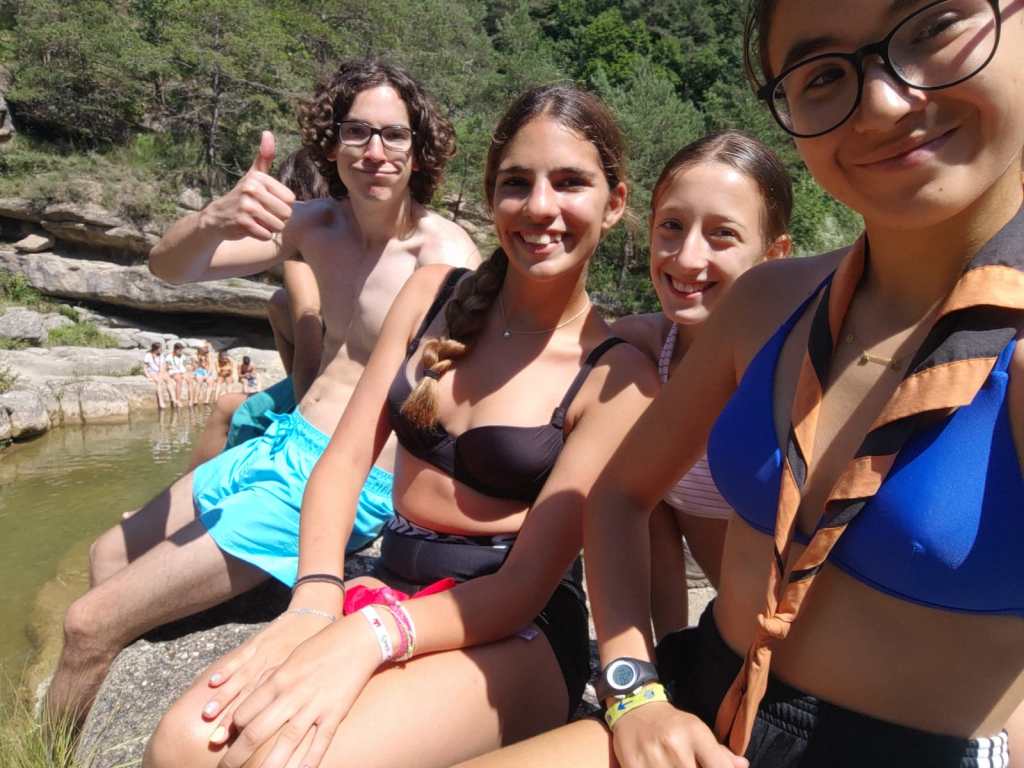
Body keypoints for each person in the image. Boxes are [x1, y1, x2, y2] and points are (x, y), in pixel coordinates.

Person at [460, 0, 1024, 766]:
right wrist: (632, 688)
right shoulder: (768, 303)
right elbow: (620, 496)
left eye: (935, 28)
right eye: (823, 74)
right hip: (699, 702)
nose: (884, 103)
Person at [143, 83, 658, 768]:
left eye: (569, 183)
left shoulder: (615, 377)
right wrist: (314, 598)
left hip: (512, 627)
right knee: (180, 744)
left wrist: (368, 636)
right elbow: (345, 459)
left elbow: (522, 588)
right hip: (390, 581)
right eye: (516, 182)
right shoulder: (430, 296)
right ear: (492, 195)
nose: (540, 207)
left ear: (615, 202)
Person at [45, 58, 479, 726]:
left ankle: (45, 745)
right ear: (332, 143)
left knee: (85, 624)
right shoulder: (316, 225)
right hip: (283, 441)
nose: (375, 151)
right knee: (107, 555)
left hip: (346, 474)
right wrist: (212, 217)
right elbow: (168, 269)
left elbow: (451, 395)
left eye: (394, 135)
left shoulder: (442, 253)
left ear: (418, 150)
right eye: (358, 132)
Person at [611, 131, 792, 639]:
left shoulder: (795, 374)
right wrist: (663, 662)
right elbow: (644, 517)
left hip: (810, 648)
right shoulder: (640, 351)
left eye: (722, 234)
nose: (688, 257)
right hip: (721, 644)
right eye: (672, 225)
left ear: (775, 255)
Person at [188, 148, 329, 470]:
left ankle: (198, 491)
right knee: (278, 303)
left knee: (232, 410)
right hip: (341, 370)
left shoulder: (301, 256)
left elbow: (308, 326)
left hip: (327, 381)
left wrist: (305, 425)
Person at [142, 342, 171, 410]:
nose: (161, 350)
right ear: (156, 349)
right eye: (160, 348)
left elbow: (162, 366)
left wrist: (161, 373)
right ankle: (161, 402)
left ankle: (173, 399)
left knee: (169, 380)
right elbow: (145, 368)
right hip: (152, 372)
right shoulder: (148, 355)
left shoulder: (161, 355)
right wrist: (148, 376)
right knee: (159, 382)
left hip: (159, 372)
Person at [165, 342, 189, 407]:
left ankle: (191, 400)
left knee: (190, 379)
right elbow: (168, 367)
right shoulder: (169, 357)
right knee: (179, 379)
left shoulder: (183, 356)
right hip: (173, 372)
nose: (180, 351)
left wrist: (184, 373)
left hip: (181, 371)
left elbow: (184, 366)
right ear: (175, 349)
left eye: (181, 350)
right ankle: (178, 400)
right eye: (179, 350)